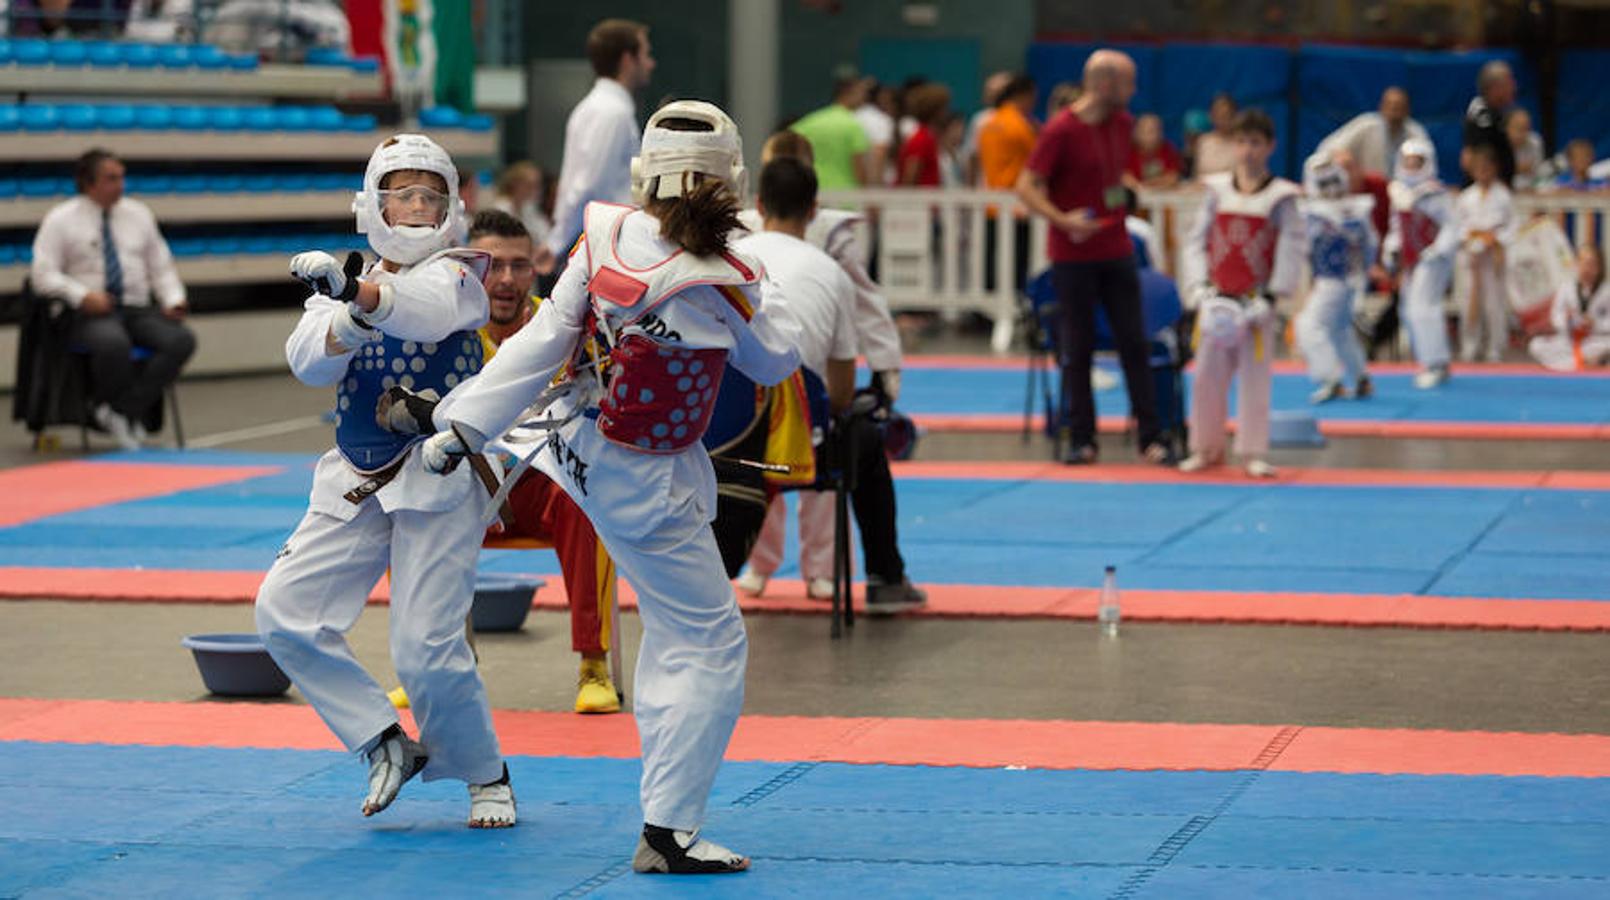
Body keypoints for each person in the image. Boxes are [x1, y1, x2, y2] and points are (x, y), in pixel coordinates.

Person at [424, 101, 802, 874]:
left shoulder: (605, 239)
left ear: (643, 172)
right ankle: (671, 831)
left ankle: (667, 818)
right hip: (648, 484)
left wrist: (461, 427)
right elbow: (775, 363)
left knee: (675, 634)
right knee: (713, 641)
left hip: (583, 451)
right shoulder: (731, 275)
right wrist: (768, 275)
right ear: (734, 181)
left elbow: (539, 343)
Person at [253, 134, 515, 829]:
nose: (418, 207)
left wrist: (356, 294)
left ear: (453, 206)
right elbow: (309, 362)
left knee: (424, 649)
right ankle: (384, 741)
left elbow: (424, 309)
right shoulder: (347, 284)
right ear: (372, 204)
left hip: (441, 473)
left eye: (431, 195)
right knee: (283, 612)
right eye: (403, 194)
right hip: (358, 470)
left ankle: (485, 772)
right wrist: (348, 308)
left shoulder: (460, 274)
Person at [732, 154, 924, 614]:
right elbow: (837, 395)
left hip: (723, 444)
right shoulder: (831, 272)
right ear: (815, 210)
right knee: (859, 435)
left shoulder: (728, 262)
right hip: (802, 446)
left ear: (757, 205)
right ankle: (885, 578)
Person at [470, 208, 621, 713]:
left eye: (519, 266)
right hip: (470, 492)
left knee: (583, 494)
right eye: (494, 266)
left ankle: (593, 664)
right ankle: (429, 662)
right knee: (403, 508)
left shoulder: (567, 329)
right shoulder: (445, 334)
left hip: (544, 489)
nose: (507, 280)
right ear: (470, 270)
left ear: (537, 268)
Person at [1017, 48, 1173, 467]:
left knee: (1134, 343)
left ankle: (1152, 436)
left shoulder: (1122, 124)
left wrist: (1127, 192)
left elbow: (1112, 173)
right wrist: (1062, 219)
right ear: (1104, 83)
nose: (1134, 90)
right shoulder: (1060, 130)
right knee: (1078, 346)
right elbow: (1027, 185)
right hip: (1072, 253)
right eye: (1128, 82)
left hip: (1117, 248)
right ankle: (1082, 438)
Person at [30, 148, 194, 451]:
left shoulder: (139, 214)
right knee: (112, 343)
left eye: (121, 177)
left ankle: (120, 410)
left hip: (136, 307)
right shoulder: (61, 220)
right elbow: (43, 275)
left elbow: (161, 266)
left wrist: (173, 299)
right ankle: (119, 413)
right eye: (111, 178)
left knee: (180, 341)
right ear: (88, 182)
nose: (120, 185)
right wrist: (81, 295)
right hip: (88, 313)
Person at [1178, 109, 1303, 478]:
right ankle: (1205, 446)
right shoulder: (1216, 191)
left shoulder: (1281, 197)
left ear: (1270, 147)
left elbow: (1292, 248)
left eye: (1256, 143)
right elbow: (1195, 242)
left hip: (1254, 300)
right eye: (1242, 142)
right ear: (1233, 145)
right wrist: (1198, 288)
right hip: (1216, 298)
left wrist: (1273, 295)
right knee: (1205, 377)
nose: (1248, 151)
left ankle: (1252, 452)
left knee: (1255, 378)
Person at [541, 18, 654, 273]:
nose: (651, 63)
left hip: (600, 241)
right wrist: (555, 244)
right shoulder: (610, 112)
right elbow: (588, 185)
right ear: (628, 59)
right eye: (646, 54)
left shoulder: (605, 108)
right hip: (600, 246)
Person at [1296, 153, 1377, 403]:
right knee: (1340, 330)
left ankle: (1330, 379)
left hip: (1333, 279)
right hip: (1347, 279)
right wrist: (1363, 270)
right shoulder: (1356, 208)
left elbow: (1305, 246)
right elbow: (1371, 244)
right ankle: (1361, 377)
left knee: (1308, 326)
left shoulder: (1316, 212)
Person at [1383, 139, 1461, 389]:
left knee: (1423, 306)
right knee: (1408, 309)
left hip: (1432, 258)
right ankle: (1427, 360)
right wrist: (1392, 249)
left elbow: (1451, 225)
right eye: (1407, 161)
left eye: (1417, 162)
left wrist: (1437, 250)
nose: (1411, 166)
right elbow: (1397, 228)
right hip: (1410, 258)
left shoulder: (1434, 192)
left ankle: (1436, 362)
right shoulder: (1397, 191)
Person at [1456, 142, 1517, 362]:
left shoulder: (1503, 196)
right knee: (1469, 301)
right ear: (1472, 170)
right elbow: (1458, 227)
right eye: (1479, 168)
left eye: (1487, 167)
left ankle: (1495, 349)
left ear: (1495, 169)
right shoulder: (1466, 197)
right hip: (1472, 256)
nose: (1483, 172)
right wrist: (1472, 236)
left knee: (1495, 304)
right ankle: (1469, 347)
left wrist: (1495, 239)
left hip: (1494, 256)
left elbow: (1512, 226)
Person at [978, 74, 1039, 292]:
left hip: (992, 205)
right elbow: (1036, 161)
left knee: (992, 260)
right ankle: (1013, 304)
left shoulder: (989, 124)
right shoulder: (1020, 126)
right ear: (1024, 96)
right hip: (1017, 207)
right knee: (1015, 265)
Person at [1317, 87, 1430, 179]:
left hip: (1406, 190)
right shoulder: (1366, 125)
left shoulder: (1416, 132)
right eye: (1390, 105)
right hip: (1370, 188)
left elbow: (1429, 166)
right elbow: (1327, 148)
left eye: (1399, 106)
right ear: (1382, 107)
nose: (1394, 110)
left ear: (1407, 110)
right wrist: (1344, 160)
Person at [1529, 243, 1610, 370]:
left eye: (1591, 264)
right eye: (1583, 263)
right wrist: (1565, 321)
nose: (1586, 268)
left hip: (1594, 339)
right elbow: (1555, 315)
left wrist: (1595, 323)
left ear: (1599, 267)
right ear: (1577, 264)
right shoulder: (1566, 288)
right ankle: (1585, 362)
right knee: (1536, 345)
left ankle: (1566, 364)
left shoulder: (1606, 291)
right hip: (1569, 340)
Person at [791, 77, 873, 191]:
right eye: (860, 93)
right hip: (846, 196)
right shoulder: (852, 125)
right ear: (847, 93)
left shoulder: (808, 123)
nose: (864, 98)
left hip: (812, 190)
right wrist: (867, 194)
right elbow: (858, 166)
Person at [1463, 60, 1517, 186]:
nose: (1514, 87)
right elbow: (1474, 157)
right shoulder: (1482, 114)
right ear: (1495, 88)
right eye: (1509, 83)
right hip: (1486, 191)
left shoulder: (1499, 113)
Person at [963, 71, 1013, 185]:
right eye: (988, 91)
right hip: (985, 189)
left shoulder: (1022, 120)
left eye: (997, 92)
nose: (991, 95)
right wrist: (970, 189)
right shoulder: (980, 120)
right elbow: (973, 156)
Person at [489, 161, 554, 249]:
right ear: (515, 185)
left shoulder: (528, 208)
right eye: (530, 185)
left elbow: (545, 237)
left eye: (537, 186)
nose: (535, 191)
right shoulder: (500, 209)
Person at [897, 83, 951, 187]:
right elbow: (909, 178)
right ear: (935, 111)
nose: (947, 112)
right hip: (920, 202)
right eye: (944, 108)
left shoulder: (928, 136)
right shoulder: (921, 139)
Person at [855, 79, 899, 186]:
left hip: (854, 183)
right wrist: (875, 189)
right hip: (876, 184)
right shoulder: (882, 120)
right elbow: (879, 153)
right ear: (880, 96)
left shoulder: (852, 117)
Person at [1124, 113, 1182, 189]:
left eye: (1155, 131)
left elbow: (1173, 177)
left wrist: (1150, 185)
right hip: (1134, 193)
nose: (1150, 136)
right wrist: (1137, 186)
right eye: (1144, 131)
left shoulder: (1167, 149)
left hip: (1159, 193)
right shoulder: (1127, 151)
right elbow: (1125, 177)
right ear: (1136, 133)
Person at [1191, 93, 1239, 178]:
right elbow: (1196, 175)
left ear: (1235, 116)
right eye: (1219, 115)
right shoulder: (1203, 141)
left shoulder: (1242, 143)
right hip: (1204, 189)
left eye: (1227, 115)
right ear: (1211, 116)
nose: (1223, 120)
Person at [1507, 107, 1546, 191]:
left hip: (1532, 188)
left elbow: (1538, 171)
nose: (1522, 134)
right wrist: (1515, 168)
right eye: (1518, 128)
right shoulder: (1499, 143)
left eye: (1526, 129)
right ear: (1507, 128)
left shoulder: (1535, 142)